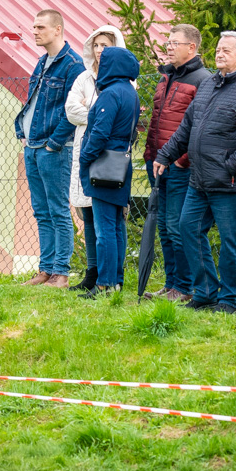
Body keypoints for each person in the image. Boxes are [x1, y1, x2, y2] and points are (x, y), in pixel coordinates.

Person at [154, 31, 236, 314]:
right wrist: (166, 155)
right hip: (200, 179)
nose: (219, 54)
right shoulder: (209, 84)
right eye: (218, 49)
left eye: (227, 51)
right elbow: (187, 127)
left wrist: (229, 166)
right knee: (188, 228)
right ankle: (205, 292)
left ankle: (228, 301)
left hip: (231, 182)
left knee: (232, 243)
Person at [15, 9, 85, 288]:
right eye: (33, 27)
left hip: (54, 148)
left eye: (41, 27)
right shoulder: (43, 61)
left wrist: (53, 143)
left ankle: (61, 273)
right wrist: (24, 133)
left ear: (58, 29)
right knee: (41, 210)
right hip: (32, 145)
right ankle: (45, 270)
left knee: (57, 210)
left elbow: (73, 110)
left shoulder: (72, 65)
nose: (35, 31)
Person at [142, 24, 212, 302]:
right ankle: (171, 284)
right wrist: (151, 155)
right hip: (157, 163)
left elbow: (199, 126)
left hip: (180, 166)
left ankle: (184, 288)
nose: (168, 47)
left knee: (176, 225)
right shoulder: (165, 77)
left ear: (191, 48)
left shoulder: (202, 79)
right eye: (168, 43)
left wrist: (182, 160)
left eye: (175, 43)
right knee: (163, 226)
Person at [64, 25, 129, 292]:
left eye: (106, 45)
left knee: (111, 221)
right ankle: (93, 272)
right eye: (97, 45)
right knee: (88, 215)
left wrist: (92, 111)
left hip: (109, 157)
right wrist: (96, 112)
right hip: (85, 149)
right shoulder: (84, 78)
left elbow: (107, 120)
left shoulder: (122, 83)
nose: (100, 50)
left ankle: (111, 275)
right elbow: (70, 110)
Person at [77, 47, 141, 298]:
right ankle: (116, 281)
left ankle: (103, 284)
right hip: (121, 165)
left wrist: (85, 157)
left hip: (105, 166)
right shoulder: (129, 92)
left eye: (104, 60)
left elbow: (100, 133)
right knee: (116, 226)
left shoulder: (110, 94)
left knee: (104, 229)